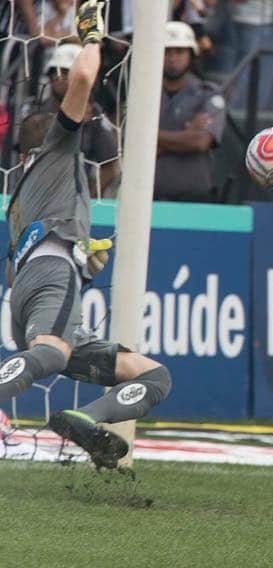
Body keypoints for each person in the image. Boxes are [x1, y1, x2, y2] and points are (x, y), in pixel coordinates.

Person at [3, 1, 172, 469]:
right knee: (53, 355)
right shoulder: (56, 148)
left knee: (152, 375)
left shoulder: (23, 194)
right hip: (51, 279)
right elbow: (80, 80)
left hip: (40, 286)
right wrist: (91, 36)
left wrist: (81, 260)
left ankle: (86, 418)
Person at [20, 42, 121, 198]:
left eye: (67, 73)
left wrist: (89, 199)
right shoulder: (34, 109)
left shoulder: (95, 115)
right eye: (55, 72)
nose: (59, 78)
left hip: (76, 197)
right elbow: (22, 156)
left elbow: (109, 166)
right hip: (37, 195)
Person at [154, 21, 225, 203]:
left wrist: (152, 140)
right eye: (167, 52)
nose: (172, 58)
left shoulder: (208, 94)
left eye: (179, 51)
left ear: (191, 55)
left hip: (195, 200)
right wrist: (185, 134)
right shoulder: (142, 93)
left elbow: (201, 141)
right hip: (147, 199)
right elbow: (128, 139)